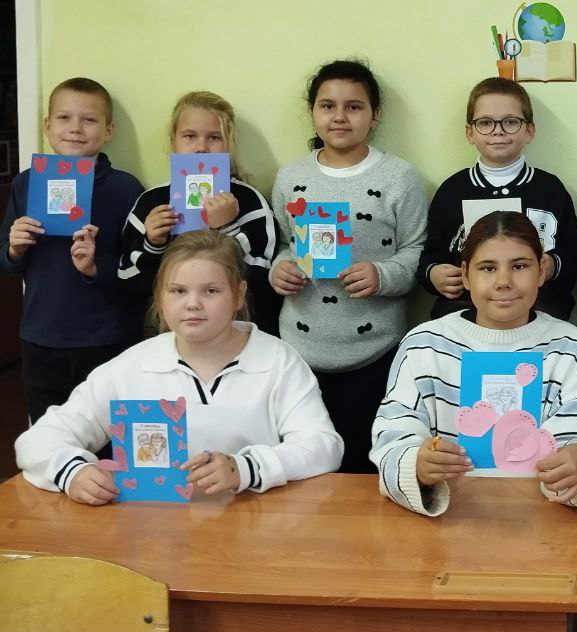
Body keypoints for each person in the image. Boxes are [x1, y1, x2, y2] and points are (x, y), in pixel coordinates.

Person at [15, 230, 342, 503]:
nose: (193, 304)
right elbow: (39, 439)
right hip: (156, 534)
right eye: (178, 291)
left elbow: (323, 446)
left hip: (257, 529)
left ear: (239, 294)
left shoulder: (278, 361)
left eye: (211, 291)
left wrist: (246, 468)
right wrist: (72, 472)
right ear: (160, 296)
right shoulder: (132, 366)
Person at [372, 212, 577, 516]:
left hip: (542, 517)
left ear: (541, 271)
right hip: (448, 518)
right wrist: (414, 465)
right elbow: (393, 436)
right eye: (487, 268)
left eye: (519, 266)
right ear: (465, 275)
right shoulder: (424, 345)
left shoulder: (568, 347)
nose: (503, 282)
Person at [270, 58, 428, 472]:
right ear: (313, 113)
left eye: (354, 106)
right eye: (328, 106)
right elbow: (285, 244)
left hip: (375, 352)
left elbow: (417, 250)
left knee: (362, 468)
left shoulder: (399, 177)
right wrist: (281, 268)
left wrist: (382, 274)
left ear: (375, 116)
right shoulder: (290, 177)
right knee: (306, 465)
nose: (339, 117)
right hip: (300, 353)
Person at [0, 78, 145, 423]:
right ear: (47, 126)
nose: (75, 128)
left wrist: (96, 267)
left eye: (89, 119)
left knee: (111, 433)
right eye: (64, 118)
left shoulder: (125, 188)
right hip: (42, 336)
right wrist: (15, 249)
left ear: (109, 130)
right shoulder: (26, 183)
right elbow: (8, 263)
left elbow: (141, 270)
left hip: (109, 337)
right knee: (51, 431)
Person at [418, 77, 577, 322]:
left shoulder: (549, 189)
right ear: (470, 133)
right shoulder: (452, 191)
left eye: (511, 122)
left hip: (539, 309)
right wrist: (434, 274)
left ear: (530, 131)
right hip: (465, 310)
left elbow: (575, 250)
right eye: (485, 122)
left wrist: (553, 265)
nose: (498, 130)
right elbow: (431, 254)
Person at [119, 90, 281, 337]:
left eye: (214, 137)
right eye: (190, 136)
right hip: (169, 334)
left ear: (229, 145)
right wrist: (153, 244)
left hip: (237, 331)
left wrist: (226, 229)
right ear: (173, 141)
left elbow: (262, 281)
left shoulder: (249, 200)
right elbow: (130, 284)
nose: (201, 148)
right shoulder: (151, 202)